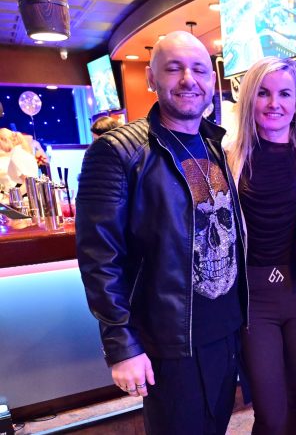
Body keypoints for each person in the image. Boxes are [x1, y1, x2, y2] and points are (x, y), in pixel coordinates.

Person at [76, 31, 247, 435]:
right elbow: (100, 257)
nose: (188, 79)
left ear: (211, 80)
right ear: (152, 78)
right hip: (170, 338)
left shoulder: (214, 143)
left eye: (199, 69)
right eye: (174, 68)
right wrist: (121, 343)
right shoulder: (119, 151)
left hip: (225, 331)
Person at [226, 56, 296, 435]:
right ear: (249, 100)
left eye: (285, 94)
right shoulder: (227, 158)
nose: (275, 103)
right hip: (254, 297)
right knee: (270, 414)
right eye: (264, 93)